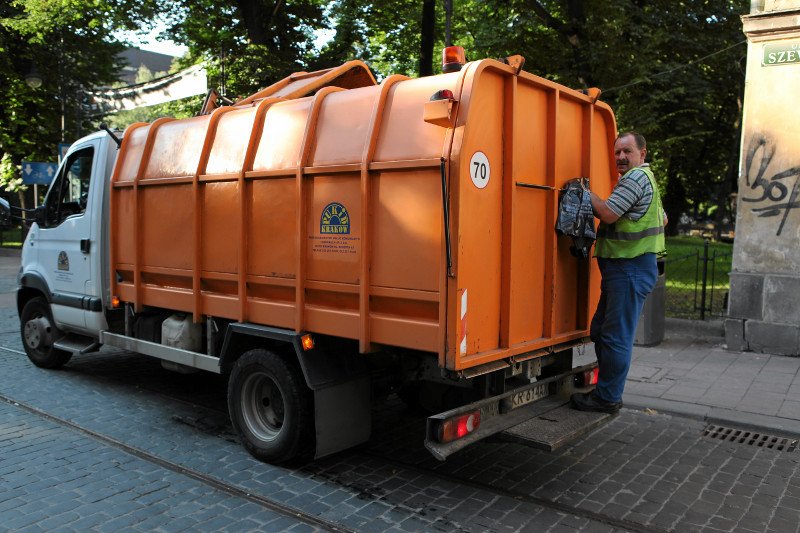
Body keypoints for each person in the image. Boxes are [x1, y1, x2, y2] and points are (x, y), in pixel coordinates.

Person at [571, 131, 666, 414]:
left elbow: (609, 213)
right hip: (626, 270)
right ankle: (606, 389)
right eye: (617, 153)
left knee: (616, 337)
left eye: (627, 151)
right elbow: (663, 217)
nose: (621, 157)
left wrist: (585, 194)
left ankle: (608, 397)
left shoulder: (636, 178)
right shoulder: (646, 180)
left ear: (642, 153)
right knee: (601, 331)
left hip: (630, 269)